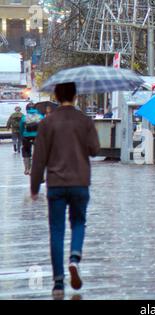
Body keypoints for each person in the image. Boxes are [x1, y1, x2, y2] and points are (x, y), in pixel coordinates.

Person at [30, 82, 100, 298]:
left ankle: (58, 283)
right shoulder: (84, 121)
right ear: (76, 96)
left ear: (57, 97)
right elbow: (95, 150)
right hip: (80, 181)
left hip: (56, 184)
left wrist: (34, 186)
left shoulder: (47, 123)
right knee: (79, 222)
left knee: (57, 230)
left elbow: (39, 158)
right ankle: (75, 259)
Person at [19, 103, 44, 175]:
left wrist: (22, 135)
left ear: (27, 109)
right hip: (38, 136)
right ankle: (36, 169)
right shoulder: (41, 116)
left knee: (26, 150)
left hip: (26, 136)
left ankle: (27, 169)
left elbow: (21, 128)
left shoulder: (24, 117)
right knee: (38, 152)